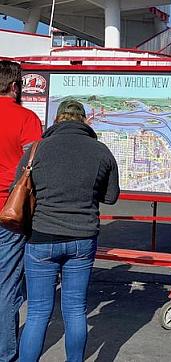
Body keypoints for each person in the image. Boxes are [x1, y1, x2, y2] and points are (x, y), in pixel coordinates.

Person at [16, 100, 120, 362]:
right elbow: (111, 197)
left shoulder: (35, 150)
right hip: (82, 239)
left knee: (38, 312)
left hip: (41, 237)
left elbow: (16, 189)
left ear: (57, 120)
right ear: (84, 120)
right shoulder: (101, 151)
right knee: (75, 310)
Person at [0, 60, 42, 362]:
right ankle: (5, 353)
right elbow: (34, 168)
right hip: (9, 211)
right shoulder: (27, 118)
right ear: (16, 87)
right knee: (6, 283)